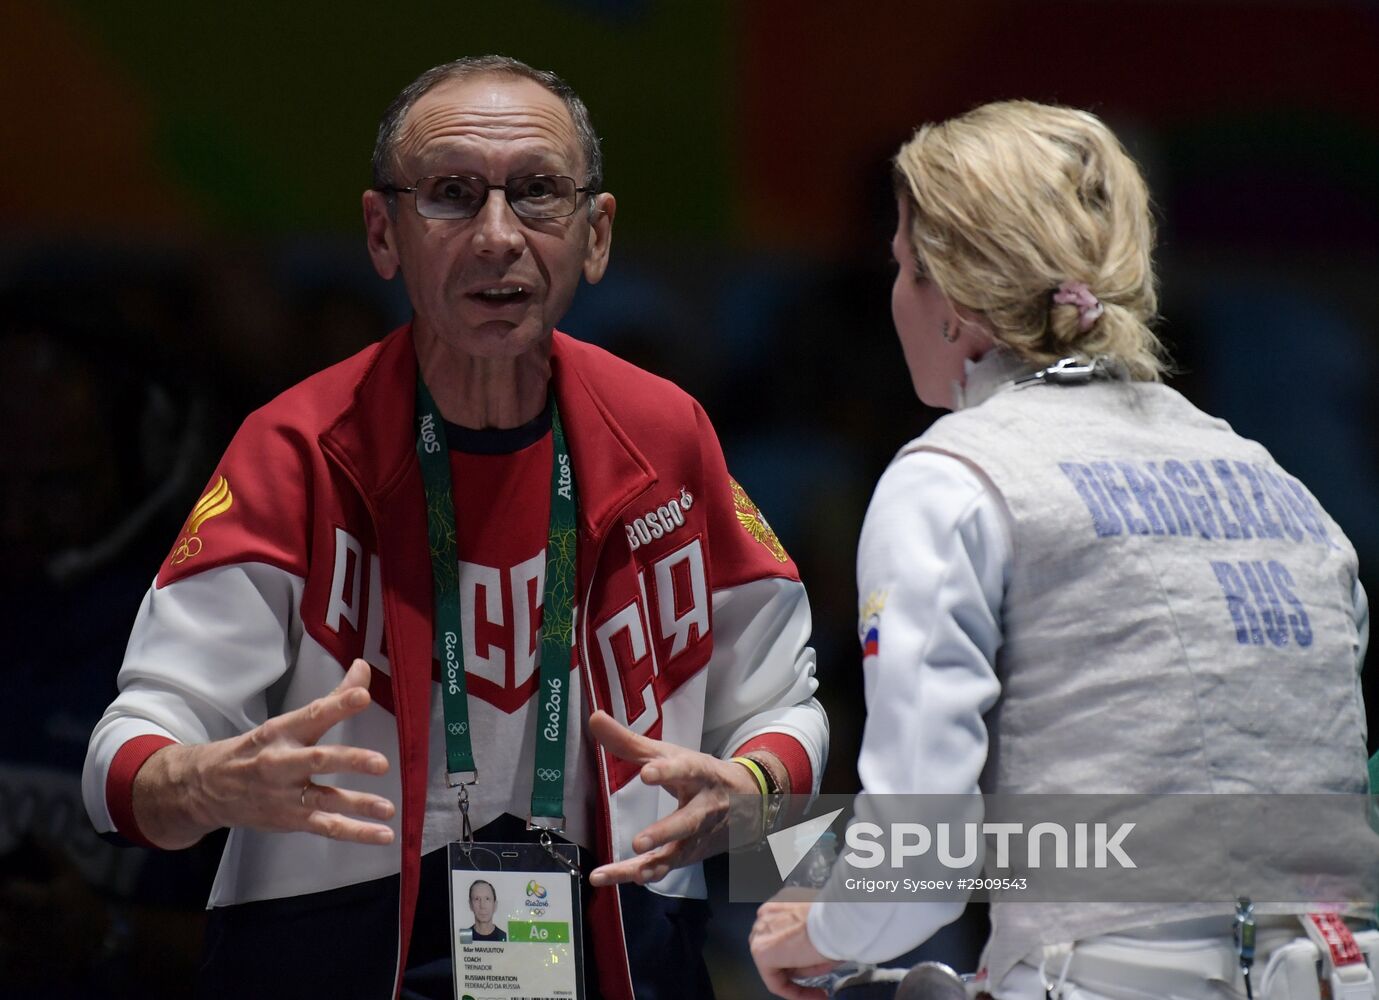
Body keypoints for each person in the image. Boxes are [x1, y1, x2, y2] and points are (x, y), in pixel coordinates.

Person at [82, 55, 827, 1000]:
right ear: (381, 233)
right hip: (327, 957)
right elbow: (124, 756)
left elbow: (782, 712)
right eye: (450, 195)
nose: (496, 235)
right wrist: (197, 785)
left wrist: (753, 792)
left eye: (538, 193)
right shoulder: (298, 447)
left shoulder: (663, 438)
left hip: (629, 954)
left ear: (595, 236)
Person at [749, 100, 1371, 999]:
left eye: (901, 269)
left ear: (952, 301)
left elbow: (919, 861)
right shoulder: (1280, 485)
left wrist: (822, 928)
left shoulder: (952, 478)